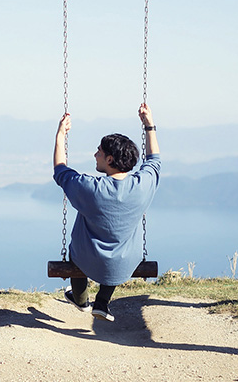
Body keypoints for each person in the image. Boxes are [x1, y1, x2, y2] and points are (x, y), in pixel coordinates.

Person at [53, 103, 162, 321]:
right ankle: (102, 302)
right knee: (122, 244)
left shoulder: (90, 188)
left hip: (86, 258)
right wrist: (149, 126)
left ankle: (81, 299)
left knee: (78, 244)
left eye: (99, 152)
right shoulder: (143, 185)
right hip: (124, 263)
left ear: (109, 159)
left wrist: (60, 135)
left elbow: (60, 170)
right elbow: (154, 160)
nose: (95, 155)